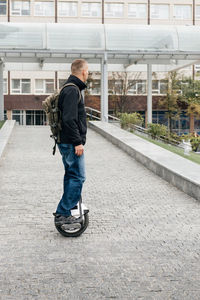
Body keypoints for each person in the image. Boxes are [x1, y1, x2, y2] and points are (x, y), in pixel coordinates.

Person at [53, 59, 89, 225]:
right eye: (87, 70)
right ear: (83, 71)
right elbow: (69, 119)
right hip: (70, 143)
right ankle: (63, 212)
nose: (88, 73)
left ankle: (70, 207)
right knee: (77, 177)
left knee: (72, 176)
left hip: (67, 141)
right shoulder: (72, 90)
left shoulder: (70, 89)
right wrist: (77, 142)